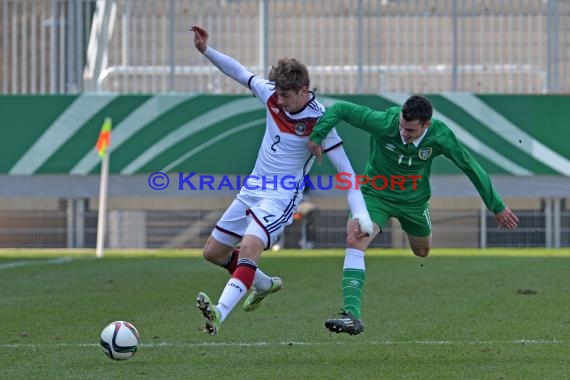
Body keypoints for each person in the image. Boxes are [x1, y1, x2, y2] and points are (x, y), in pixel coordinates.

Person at [189, 25, 373, 336]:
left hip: (282, 196)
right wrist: (206, 50)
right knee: (213, 253)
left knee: (249, 246)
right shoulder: (273, 96)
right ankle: (261, 283)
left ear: (304, 90)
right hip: (252, 189)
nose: (280, 100)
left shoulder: (320, 121)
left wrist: (360, 212)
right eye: (278, 93)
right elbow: (239, 72)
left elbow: (346, 171)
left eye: (286, 95)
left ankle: (219, 311)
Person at [309, 95, 519, 335]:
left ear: (426, 125)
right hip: (375, 196)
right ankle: (352, 315)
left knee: (422, 251)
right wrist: (317, 136)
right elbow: (341, 109)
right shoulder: (384, 122)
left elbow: (470, 166)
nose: (403, 132)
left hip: (414, 203)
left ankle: (418, 224)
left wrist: (497, 205)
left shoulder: (439, 135)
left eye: (410, 130)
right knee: (355, 238)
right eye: (401, 126)